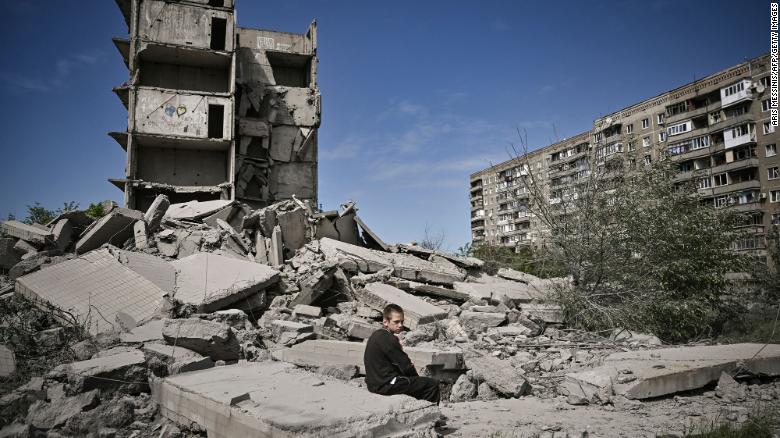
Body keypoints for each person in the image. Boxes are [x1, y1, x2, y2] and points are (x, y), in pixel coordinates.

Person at [363, 303, 440, 404]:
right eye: (396, 322)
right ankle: (428, 413)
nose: (400, 325)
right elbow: (406, 365)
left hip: (375, 383)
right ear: (385, 322)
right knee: (431, 384)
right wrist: (416, 379)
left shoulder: (376, 335)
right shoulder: (389, 339)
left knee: (415, 383)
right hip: (385, 385)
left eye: (402, 322)